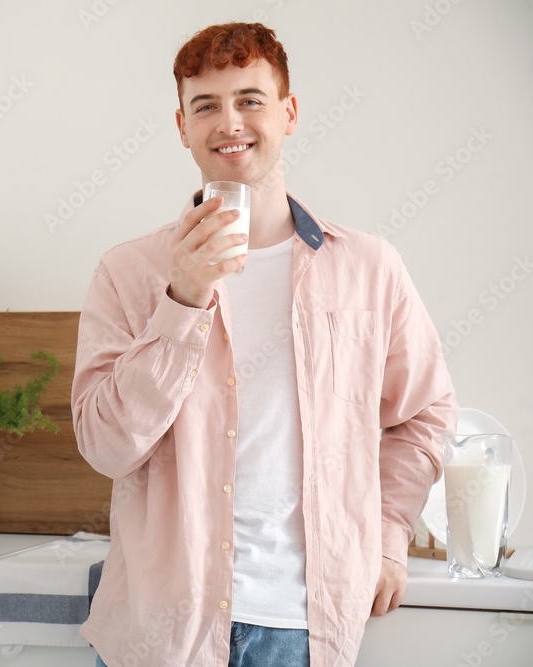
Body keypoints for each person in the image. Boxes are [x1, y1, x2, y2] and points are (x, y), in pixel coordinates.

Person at [71, 22, 456, 667]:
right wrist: (183, 300)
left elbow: (422, 416)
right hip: (166, 633)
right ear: (182, 125)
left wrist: (390, 536)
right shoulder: (128, 272)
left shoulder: (369, 267)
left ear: (288, 112)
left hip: (307, 629)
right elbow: (106, 447)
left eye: (250, 99)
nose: (230, 123)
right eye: (206, 105)